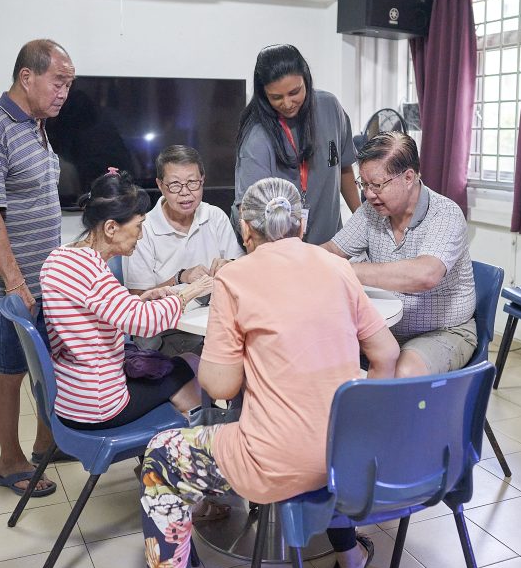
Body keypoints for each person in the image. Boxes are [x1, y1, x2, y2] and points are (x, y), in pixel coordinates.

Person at [140, 177, 400, 568]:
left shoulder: (234, 277)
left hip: (276, 461)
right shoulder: (336, 267)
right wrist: (362, 425)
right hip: (345, 454)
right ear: (302, 223)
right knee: (316, 422)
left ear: (246, 228)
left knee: (160, 455)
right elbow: (386, 353)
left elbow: (221, 386)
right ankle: (350, 554)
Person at [0, 38, 74, 497]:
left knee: (49, 368)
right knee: (11, 373)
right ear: (26, 77)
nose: (64, 92)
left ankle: (47, 444)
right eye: (58, 82)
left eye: (69, 84)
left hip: (44, 281)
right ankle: (9, 462)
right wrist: (15, 284)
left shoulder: (36, 125)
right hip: (10, 287)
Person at [39, 169, 214, 430]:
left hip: (72, 394)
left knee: (176, 369)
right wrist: (190, 291)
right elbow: (143, 324)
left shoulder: (60, 258)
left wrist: (143, 299)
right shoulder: (92, 272)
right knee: (190, 363)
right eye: (138, 226)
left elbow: (103, 310)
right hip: (100, 404)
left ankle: (178, 438)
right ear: (111, 228)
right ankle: (192, 443)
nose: (140, 235)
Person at [323, 131, 477, 378]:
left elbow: (425, 275)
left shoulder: (445, 214)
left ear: (408, 177)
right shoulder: (371, 211)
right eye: (364, 184)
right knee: (319, 351)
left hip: (441, 331)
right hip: (383, 327)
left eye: (377, 185)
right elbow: (332, 250)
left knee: (402, 373)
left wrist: (346, 270)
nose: (369, 194)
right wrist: (296, 256)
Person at [233, 44, 361, 245]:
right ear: (263, 94)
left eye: (294, 92)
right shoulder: (256, 138)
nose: (287, 103)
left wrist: (361, 220)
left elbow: (344, 168)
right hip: (282, 252)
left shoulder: (330, 107)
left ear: (306, 80)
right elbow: (250, 210)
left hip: (331, 246)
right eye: (276, 97)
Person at [124, 145, 243, 354]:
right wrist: (181, 277)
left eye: (192, 183)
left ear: (202, 180)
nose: (186, 192)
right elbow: (138, 299)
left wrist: (230, 266)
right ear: (160, 185)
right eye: (175, 185)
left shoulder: (215, 217)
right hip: (163, 332)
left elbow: (242, 271)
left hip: (213, 322)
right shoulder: (144, 229)